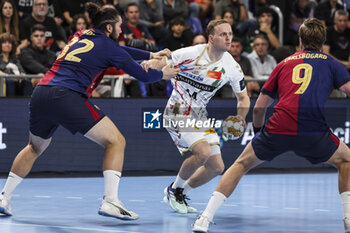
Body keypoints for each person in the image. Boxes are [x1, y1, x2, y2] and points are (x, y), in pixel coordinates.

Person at [0, 2, 179, 220]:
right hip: (66, 96)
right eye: (120, 26)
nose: (122, 30)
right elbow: (142, 76)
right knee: (116, 141)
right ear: (110, 28)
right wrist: (164, 74)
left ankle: (4, 197)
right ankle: (111, 201)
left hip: (41, 93)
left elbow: (119, 50)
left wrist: (149, 55)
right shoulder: (107, 45)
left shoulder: (80, 34)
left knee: (34, 147)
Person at [192, 18, 350, 233]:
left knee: (240, 165)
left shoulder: (283, 64)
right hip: (313, 130)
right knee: (346, 160)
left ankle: (204, 218)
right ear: (322, 40)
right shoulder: (332, 64)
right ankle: (348, 218)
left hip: (278, 127)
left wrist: (259, 134)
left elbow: (259, 108)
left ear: (300, 40)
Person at [162, 19, 250, 214]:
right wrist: (150, 66)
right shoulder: (190, 53)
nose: (228, 38)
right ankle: (173, 189)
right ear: (211, 38)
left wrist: (240, 117)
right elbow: (161, 62)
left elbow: (243, 98)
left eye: (230, 34)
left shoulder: (232, 67)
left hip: (199, 115)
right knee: (202, 152)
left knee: (216, 166)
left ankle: (178, 192)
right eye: (223, 34)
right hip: (176, 110)